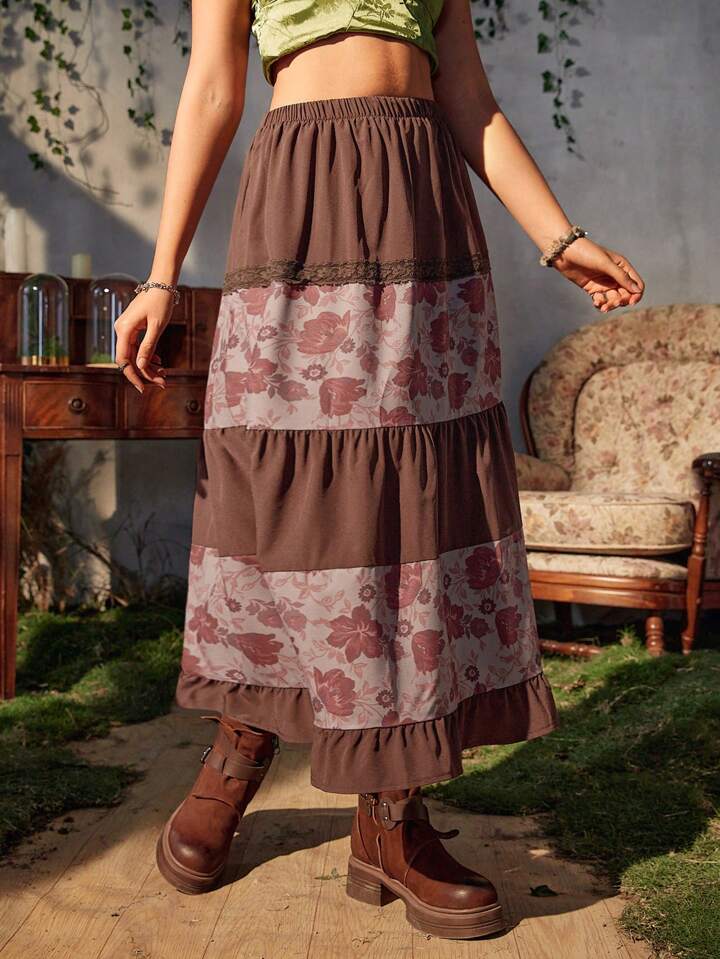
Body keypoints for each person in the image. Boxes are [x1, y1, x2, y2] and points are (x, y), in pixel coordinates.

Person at [113, 0, 645, 940]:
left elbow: (469, 96)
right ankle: (241, 741)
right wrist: (161, 276)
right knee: (277, 477)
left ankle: (392, 816)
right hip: (300, 198)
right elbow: (212, 88)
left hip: (425, 207)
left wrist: (560, 238)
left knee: (412, 505)